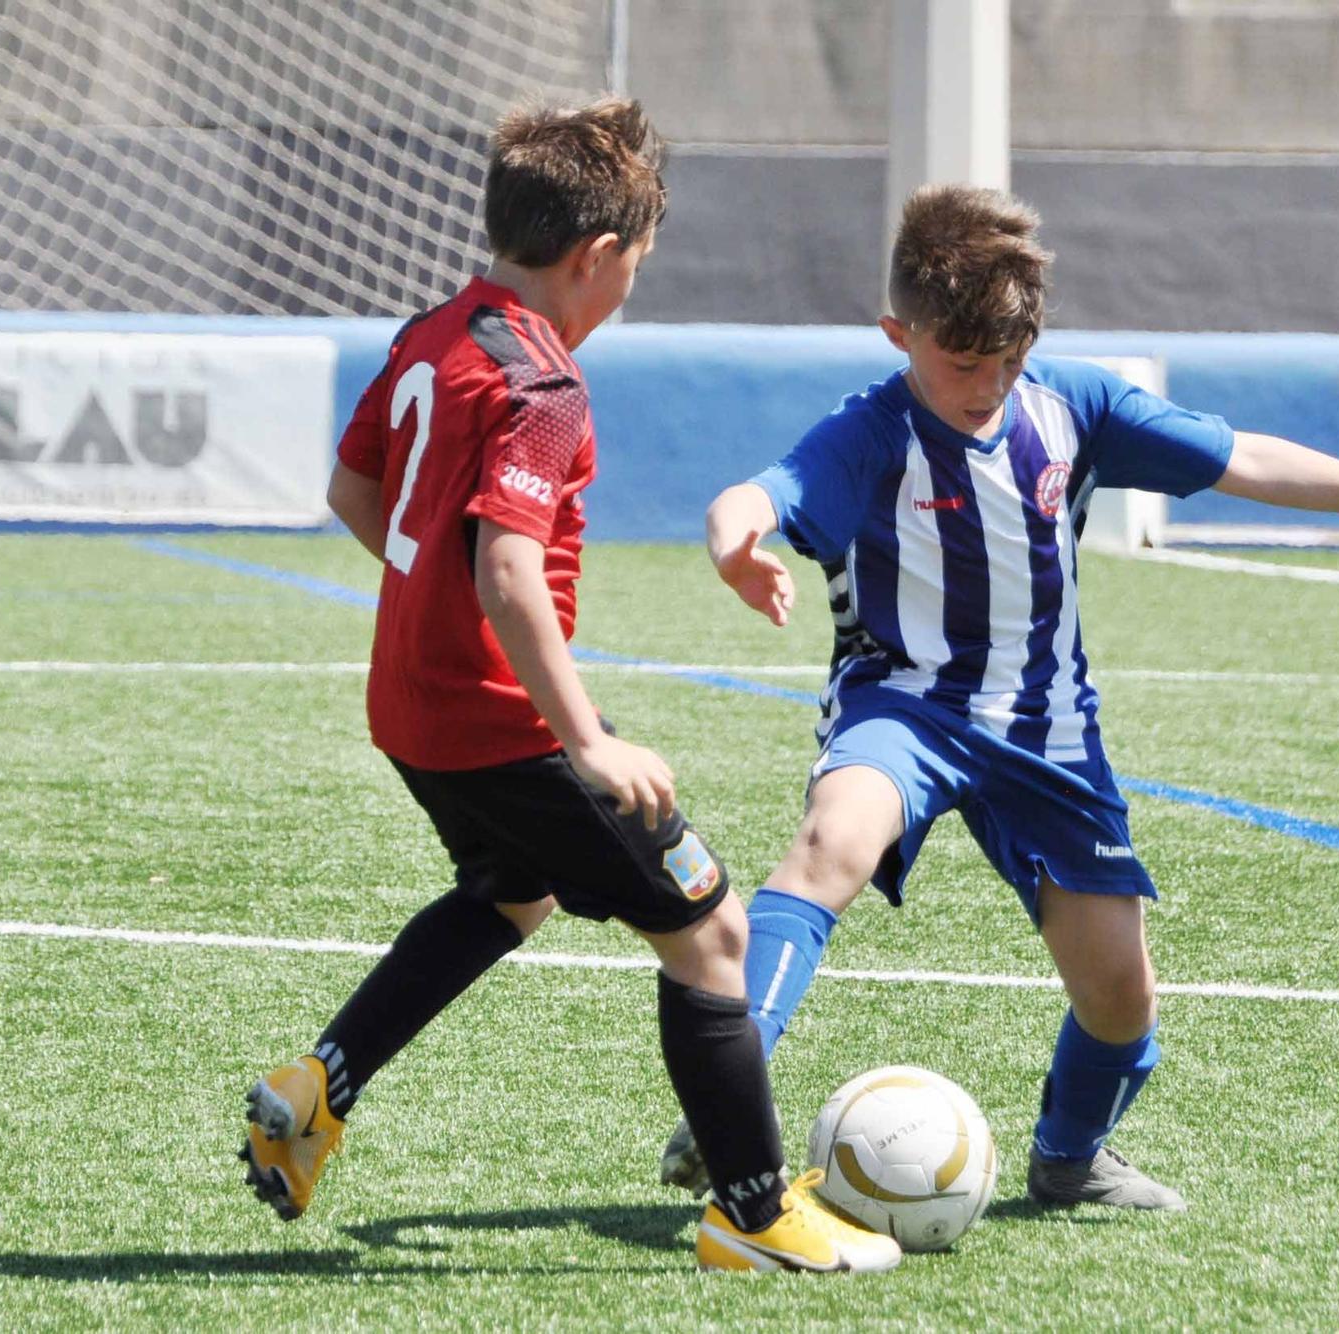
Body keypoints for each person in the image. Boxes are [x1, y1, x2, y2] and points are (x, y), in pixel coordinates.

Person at [662, 184, 1339, 1210]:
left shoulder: (1075, 404)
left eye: (1006, 362)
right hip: (904, 704)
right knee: (829, 845)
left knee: (1118, 994)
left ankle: (1067, 1156)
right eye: (960, 362)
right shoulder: (865, 434)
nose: (985, 384)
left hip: (1048, 729)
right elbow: (759, 492)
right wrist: (731, 541)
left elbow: (1241, 456)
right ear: (899, 333)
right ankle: (725, 1094)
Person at [238, 97, 899, 1274]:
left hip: (410, 711)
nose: (628, 293)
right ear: (596, 256)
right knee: (710, 934)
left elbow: (355, 493)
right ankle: (752, 1216)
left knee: (512, 892)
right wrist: (585, 737)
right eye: (633, 271)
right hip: (502, 725)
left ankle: (317, 1084)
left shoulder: (436, 330)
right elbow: (504, 568)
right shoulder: (544, 391)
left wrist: (436, 606)